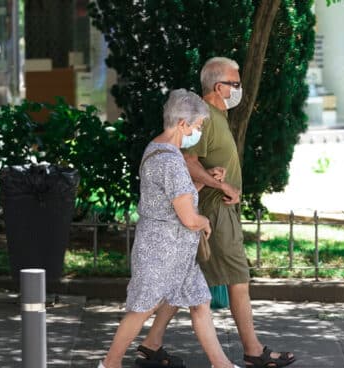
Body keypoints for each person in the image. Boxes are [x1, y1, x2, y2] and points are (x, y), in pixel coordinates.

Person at [136, 58, 296, 368]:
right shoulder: (205, 116)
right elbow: (188, 161)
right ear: (218, 86)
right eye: (235, 84)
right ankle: (253, 351)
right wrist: (221, 186)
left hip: (216, 209)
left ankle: (150, 344)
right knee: (238, 277)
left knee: (190, 279)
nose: (239, 90)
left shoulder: (216, 116)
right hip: (215, 210)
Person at [96, 89, 239, 368]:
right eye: (197, 127)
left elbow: (175, 198)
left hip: (173, 252)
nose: (198, 132)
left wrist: (205, 180)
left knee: (199, 302)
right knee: (141, 309)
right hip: (163, 251)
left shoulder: (157, 149)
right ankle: (109, 364)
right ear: (183, 124)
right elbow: (188, 217)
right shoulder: (171, 162)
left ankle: (221, 365)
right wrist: (204, 222)